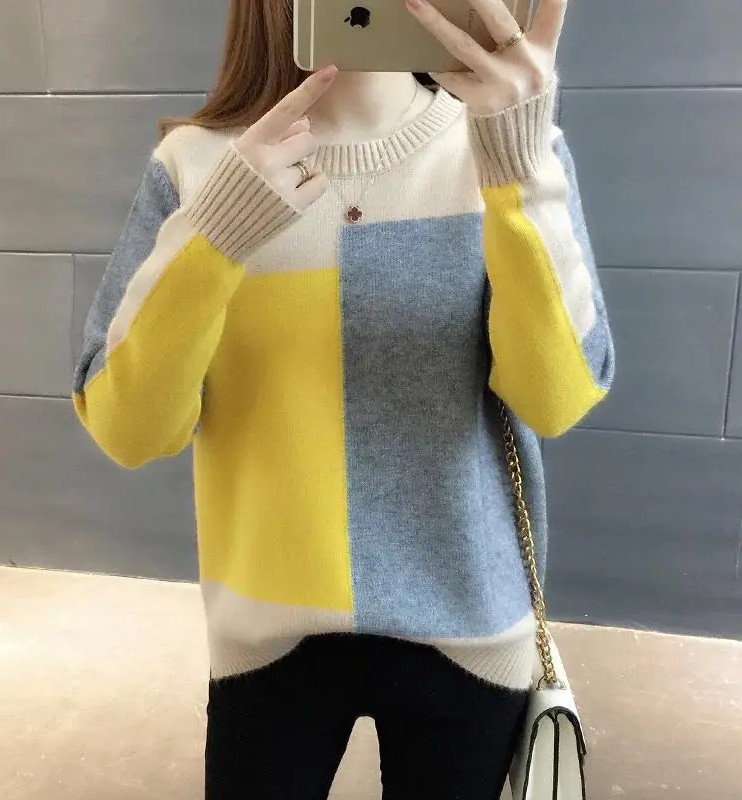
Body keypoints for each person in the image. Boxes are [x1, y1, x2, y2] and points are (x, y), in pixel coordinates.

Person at [73, 0, 614, 797]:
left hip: (469, 623)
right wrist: (217, 234)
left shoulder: (505, 146)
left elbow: (557, 398)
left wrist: (518, 169)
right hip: (267, 635)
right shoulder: (199, 166)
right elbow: (129, 429)